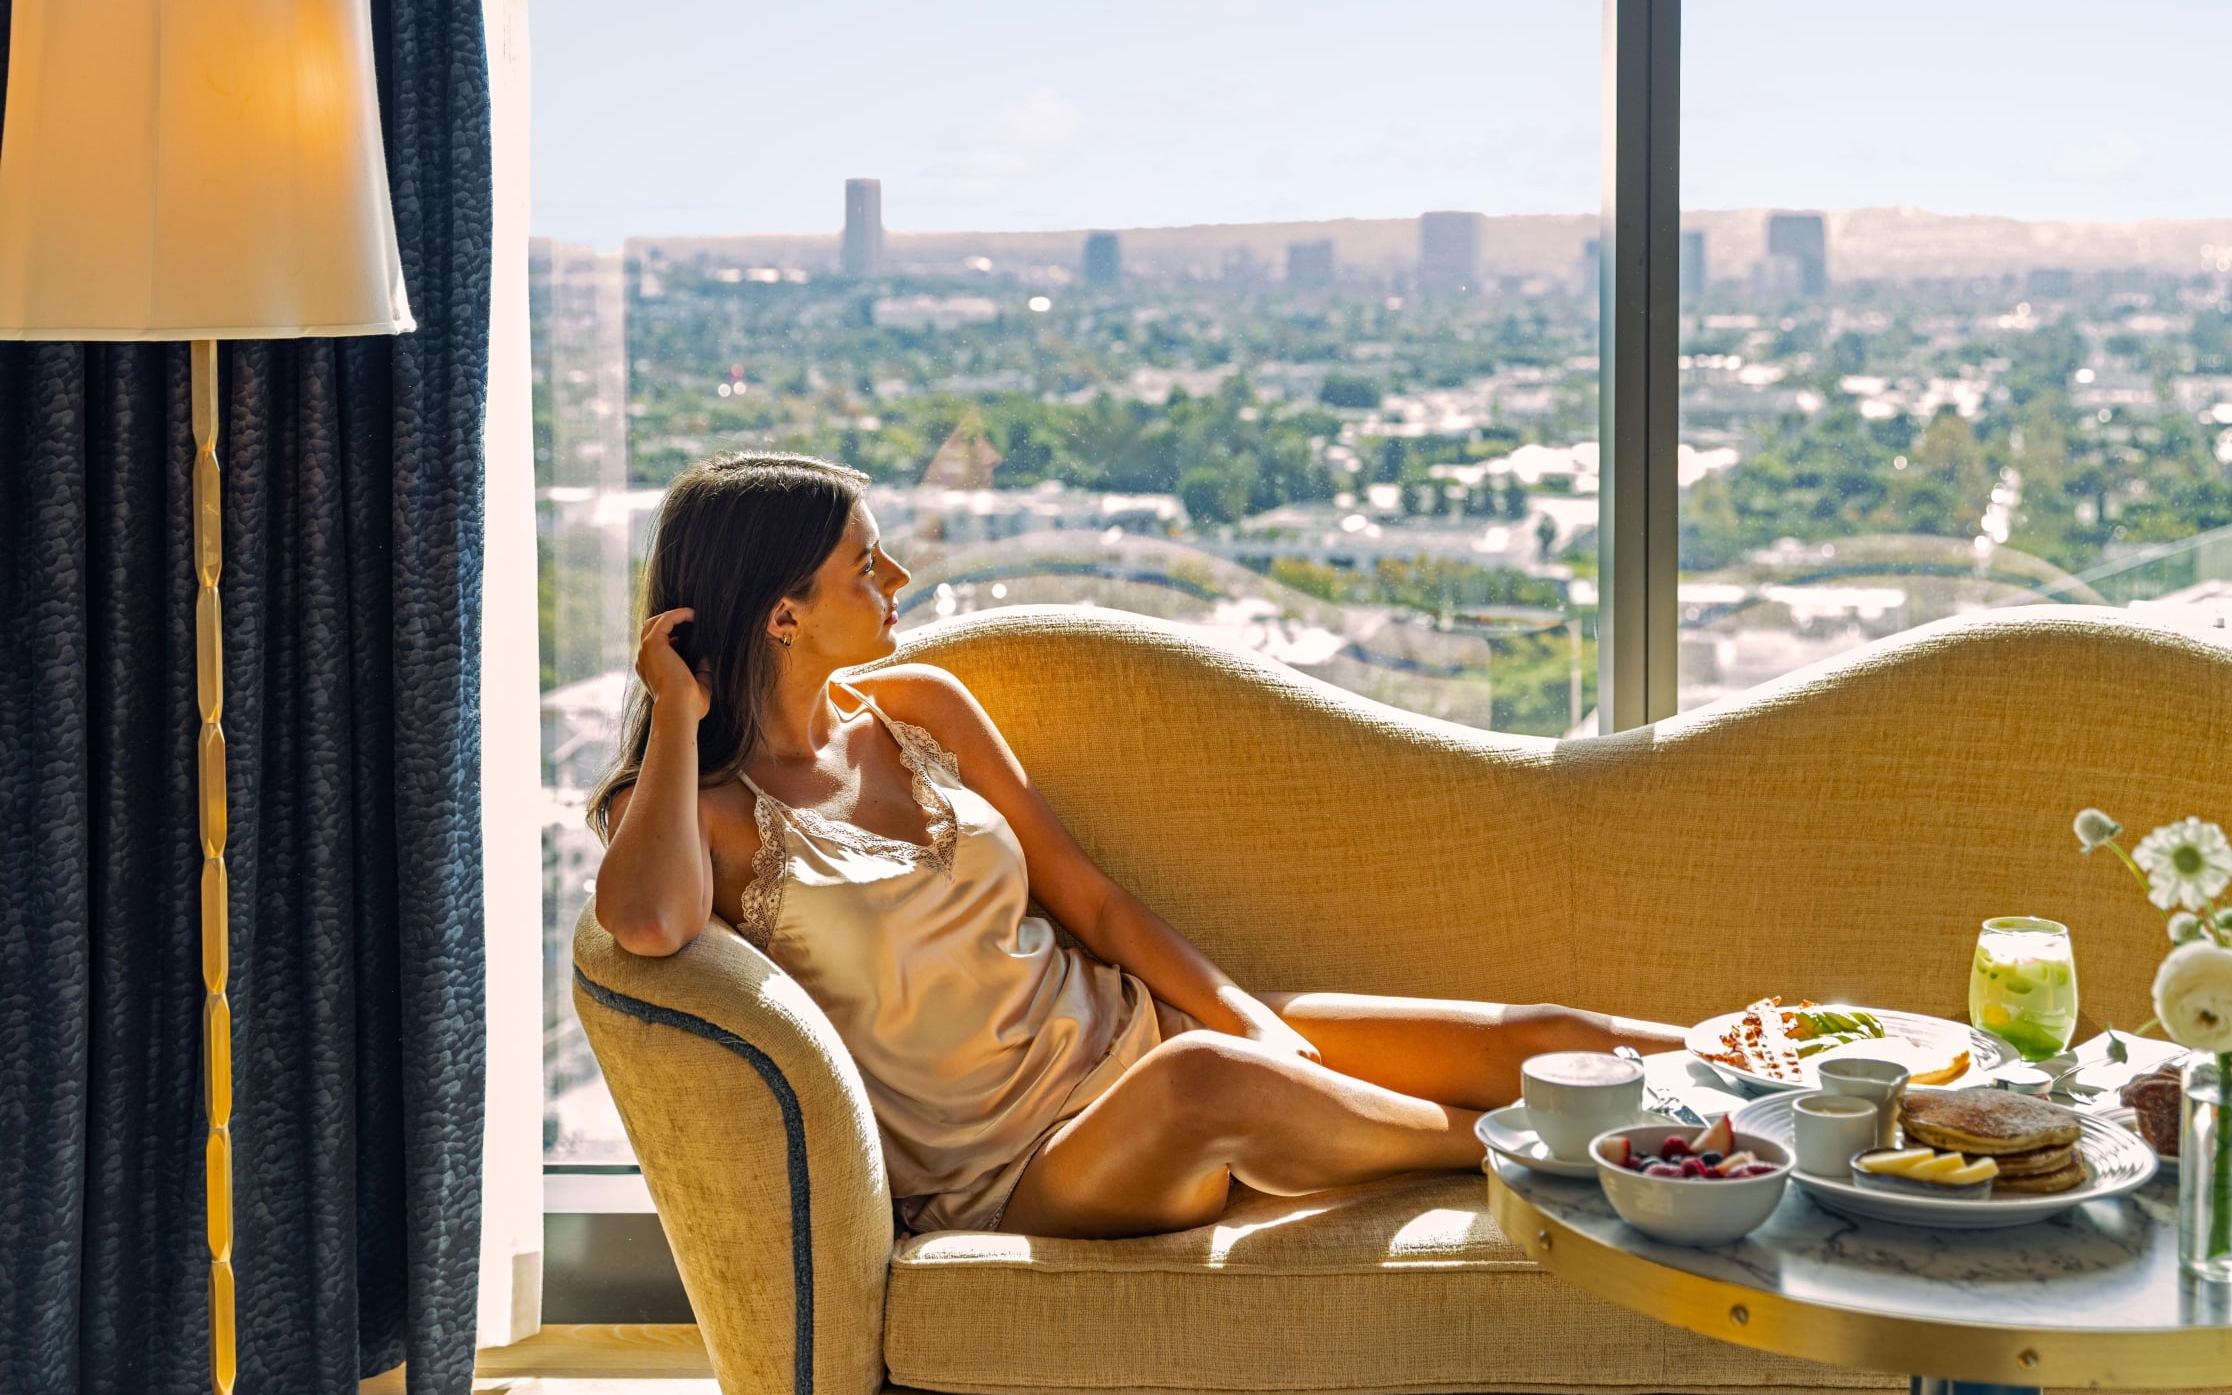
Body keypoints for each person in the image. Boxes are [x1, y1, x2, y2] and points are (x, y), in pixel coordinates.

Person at [592, 452, 1683, 1239]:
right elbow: (646, 926)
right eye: (866, 567)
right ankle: (1552, 1149)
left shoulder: (918, 705)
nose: (900, 584)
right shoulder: (703, 810)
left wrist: (1245, 1012)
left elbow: (1093, 903)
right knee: (1214, 1079)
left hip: (1134, 1040)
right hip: (1018, 1169)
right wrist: (679, 719)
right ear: (784, 613)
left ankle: (1786, 1069)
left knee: (1545, 1032)